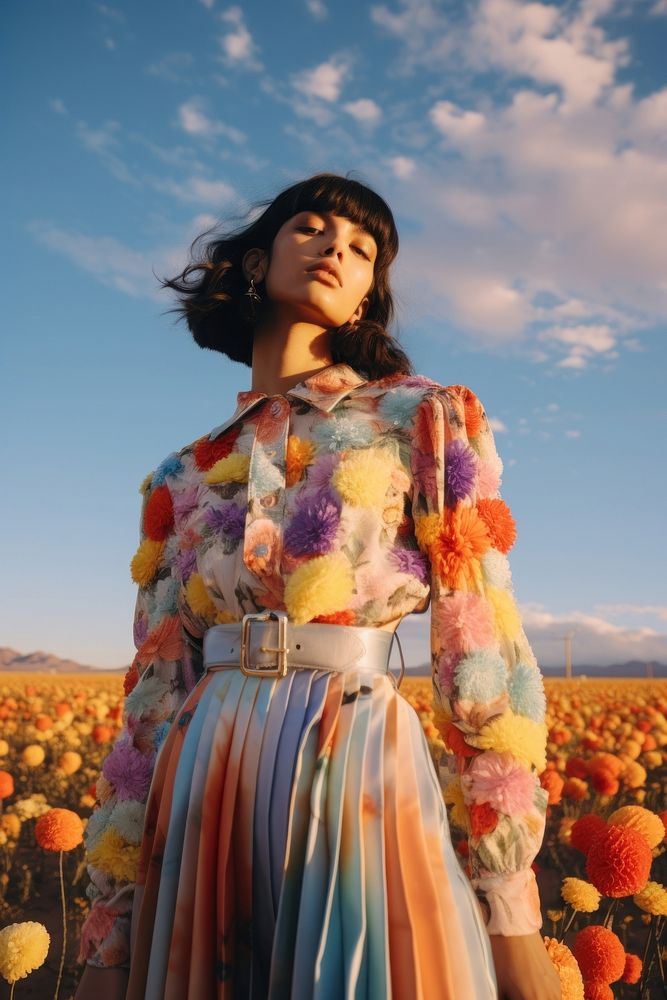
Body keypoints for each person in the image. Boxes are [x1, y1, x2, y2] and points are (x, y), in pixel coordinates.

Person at [75, 173, 561, 1000]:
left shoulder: (423, 418)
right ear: (258, 262)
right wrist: (110, 936)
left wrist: (511, 915)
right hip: (205, 771)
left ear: (370, 296)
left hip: (356, 752)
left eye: (364, 248)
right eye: (313, 227)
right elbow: (151, 699)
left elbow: (480, 648)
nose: (339, 247)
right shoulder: (182, 475)